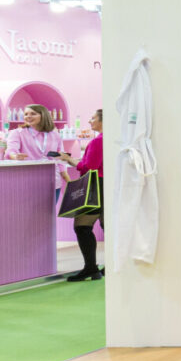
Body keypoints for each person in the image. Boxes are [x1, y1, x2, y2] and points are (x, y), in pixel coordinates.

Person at [58, 109, 104, 281]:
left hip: (96, 186)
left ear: (102, 121)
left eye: (93, 118)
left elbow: (89, 167)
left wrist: (71, 161)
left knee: (82, 227)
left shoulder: (98, 141)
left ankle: (91, 268)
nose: (90, 121)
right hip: (106, 185)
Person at [7, 104, 69, 188]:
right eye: (26, 114)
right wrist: (15, 156)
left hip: (53, 181)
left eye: (33, 114)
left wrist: (67, 179)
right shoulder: (17, 133)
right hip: (28, 181)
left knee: (54, 202)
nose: (28, 116)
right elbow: (11, 151)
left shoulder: (55, 135)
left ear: (43, 115)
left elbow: (60, 158)